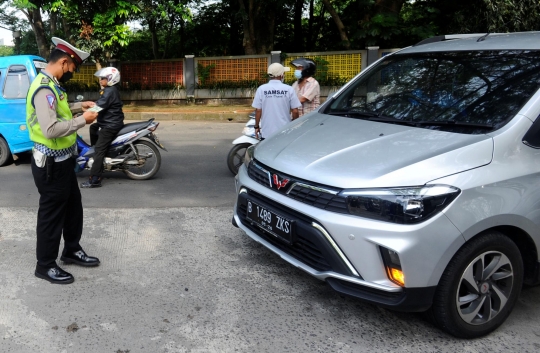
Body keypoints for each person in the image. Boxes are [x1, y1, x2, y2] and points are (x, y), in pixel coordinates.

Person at [26, 37, 100, 285]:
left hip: (63, 162)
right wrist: (84, 120)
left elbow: (58, 109)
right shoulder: (44, 88)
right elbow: (50, 129)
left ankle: (71, 250)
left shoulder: (52, 85)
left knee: (73, 208)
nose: (72, 73)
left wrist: (80, 106)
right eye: (72, 68)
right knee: (51, 215)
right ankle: (44, 265)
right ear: (64, 61)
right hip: (50, 166)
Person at [80, 67, 125, 188]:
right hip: (109, 121)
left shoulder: (109, 91)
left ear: (111, 79)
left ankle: (95, 179)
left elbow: (99, 107)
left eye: (103, 78)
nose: (100, 80)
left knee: (99, 150)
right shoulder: (109, 90)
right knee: (93, 128)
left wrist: (84, 112)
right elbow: (100, 104)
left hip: (110, 125)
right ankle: (97, 154)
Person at [252, 63, 302, 139]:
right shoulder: (289, 89)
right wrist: (295, 126)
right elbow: (295, 111)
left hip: (267, 132)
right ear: (282, 74)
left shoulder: (261, 89)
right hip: (284, 131)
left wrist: (256, 126)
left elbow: (258, 110)